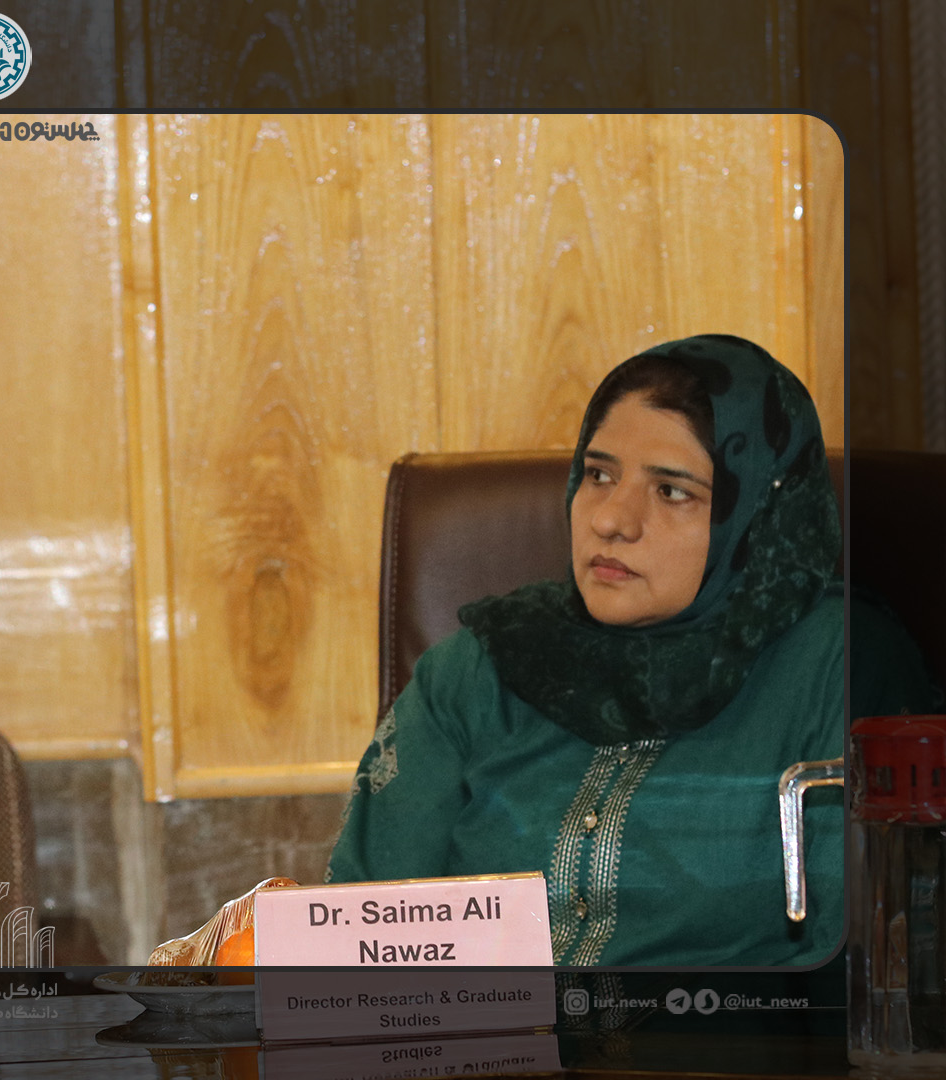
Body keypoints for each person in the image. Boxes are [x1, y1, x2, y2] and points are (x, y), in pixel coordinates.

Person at [326, 334, 942, 966]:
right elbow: (356, 940)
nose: (611, 520)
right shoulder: (481, 665)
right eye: (599, 475)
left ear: (757, 515)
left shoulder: (838, 662)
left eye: (672, 491)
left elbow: (867, 963)